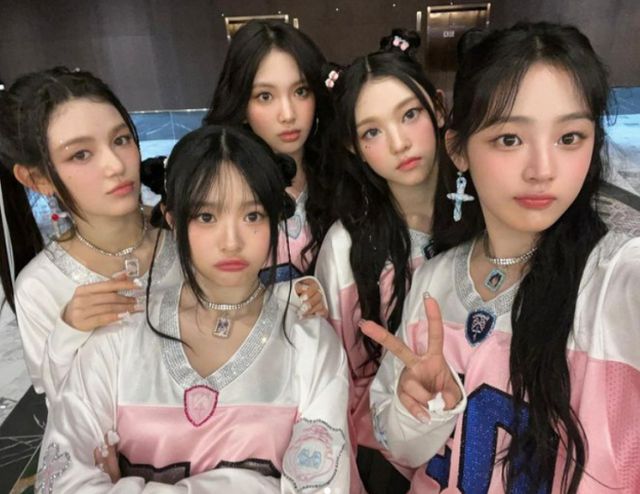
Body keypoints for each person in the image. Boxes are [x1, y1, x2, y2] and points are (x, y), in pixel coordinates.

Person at [367, 22, 640, 493]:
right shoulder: (433, 281)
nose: (543, 170)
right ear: (458, 150)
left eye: (570, 137)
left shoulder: (615, 281)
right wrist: (423, 409)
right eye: (510, 139)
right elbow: (400, 449)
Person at [37, 125, 351, 492]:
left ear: (273, 218)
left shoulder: (310, 341)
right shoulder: (120, 335)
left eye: (252, 216)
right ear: (172, 219)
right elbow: (60, 481)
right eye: (206, 216)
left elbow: (324, 487)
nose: (231, 241)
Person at [314, 29, 449, 491]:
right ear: (353, 146)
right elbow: (337, 376)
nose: (398, 142)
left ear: (438, 108)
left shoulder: (489, 221)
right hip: (384, 452)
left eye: (410, 115)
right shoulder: (346, 247)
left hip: (477, 445)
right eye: (372, 131)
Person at [0, 67, 181, 401]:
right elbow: (56, 401)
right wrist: (68, 331)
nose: (116, 165)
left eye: (121, 140)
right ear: (37, 179)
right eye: (80, 154)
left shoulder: (186, 236)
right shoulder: (40, 287)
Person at [204, 20, 336, 279]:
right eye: (265, 96)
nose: (288, 114)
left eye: (300, 91)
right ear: (241, 105)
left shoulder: (343, 175)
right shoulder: (219, 188)